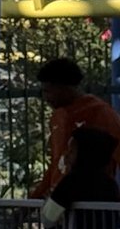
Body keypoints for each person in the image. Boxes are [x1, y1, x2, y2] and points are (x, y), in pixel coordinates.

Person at [30, 58, 120, 200]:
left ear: (63, 87)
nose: (46, 98)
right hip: (62, 198)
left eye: (48, 91)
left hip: (91, 199)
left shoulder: (101, 113)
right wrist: (35, 197)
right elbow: (56, 162)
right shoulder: (57, 117)